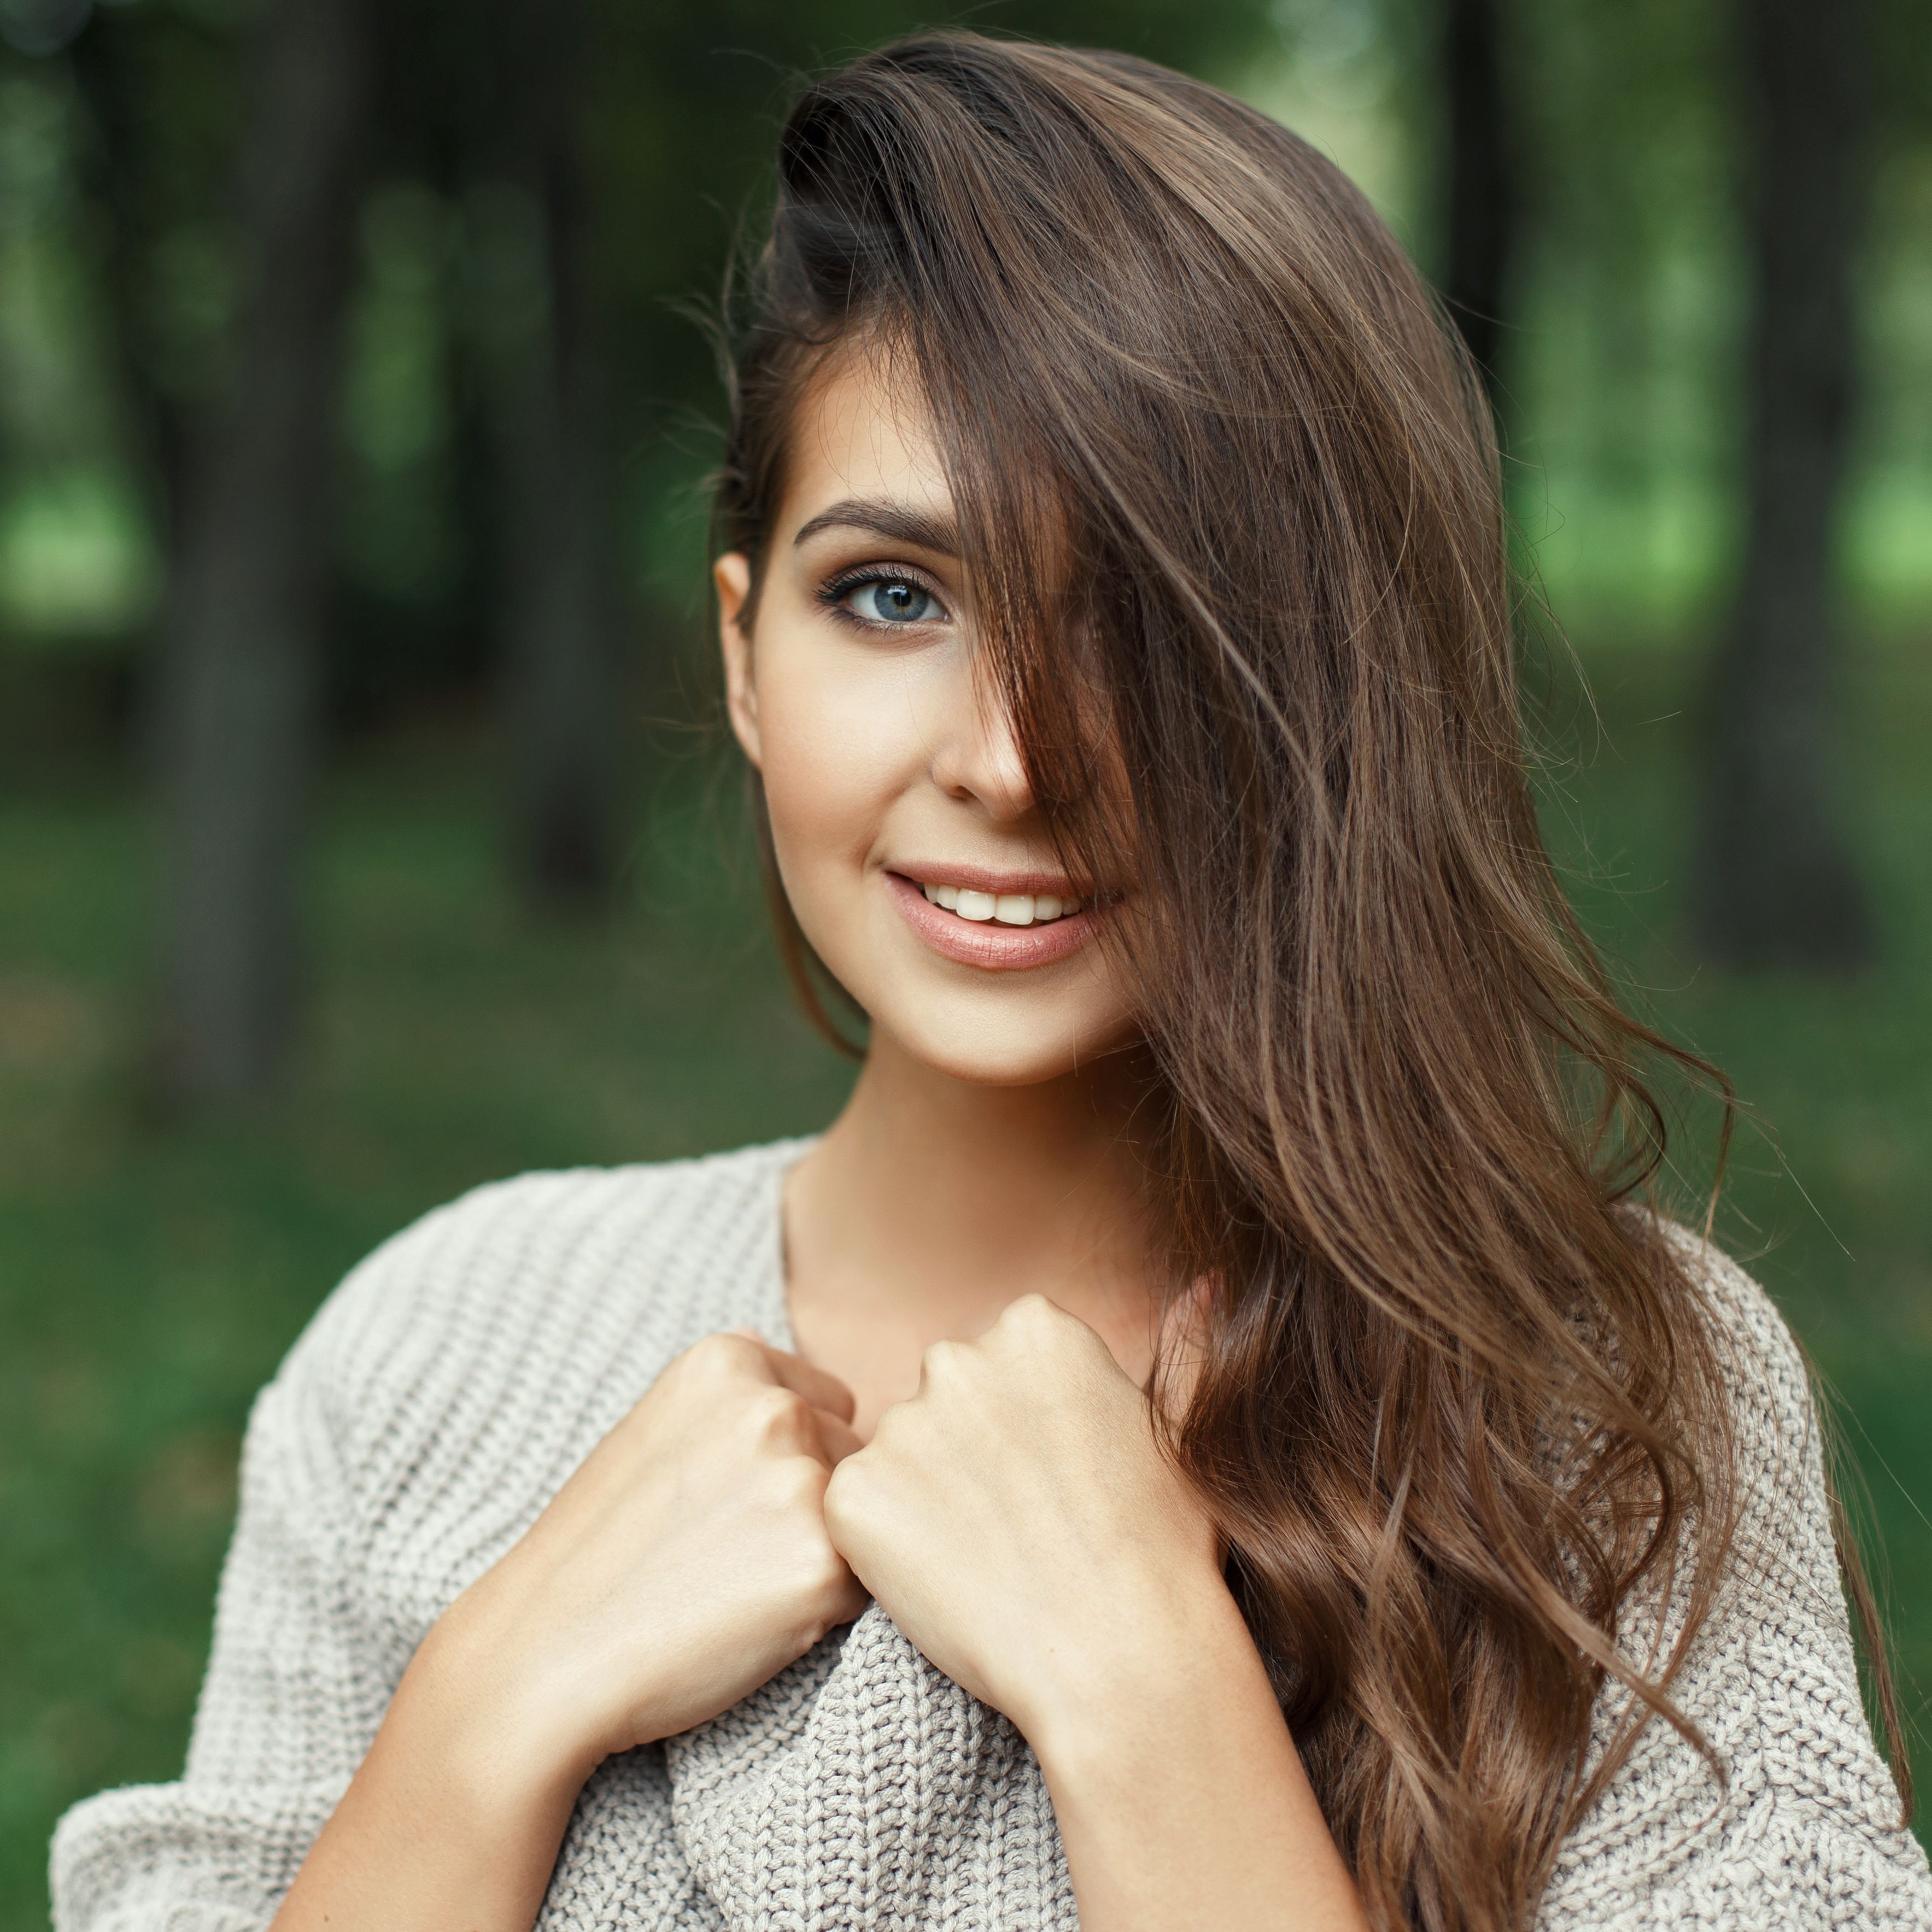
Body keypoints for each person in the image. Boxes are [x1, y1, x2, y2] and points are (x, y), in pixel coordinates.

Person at [51, 32, 1932, 1932]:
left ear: (1336, 701)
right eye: (892, 595)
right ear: (741, 654)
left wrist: (1146, 1693)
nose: (1013, 761)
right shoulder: (437, 1354)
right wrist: (487, 1710)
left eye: (1143, 619)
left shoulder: (1593, 1398)